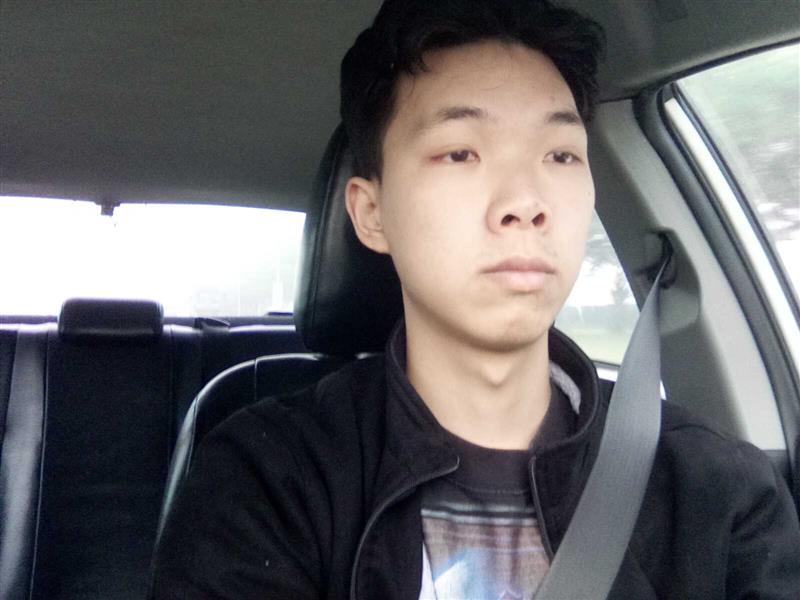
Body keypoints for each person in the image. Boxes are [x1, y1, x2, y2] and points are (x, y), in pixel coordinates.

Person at [149, 0, 800, 598]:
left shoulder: (717, 492)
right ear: (372, 214)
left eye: (560, 155)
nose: (525, 202)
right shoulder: (269, 479)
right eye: (461, 153)